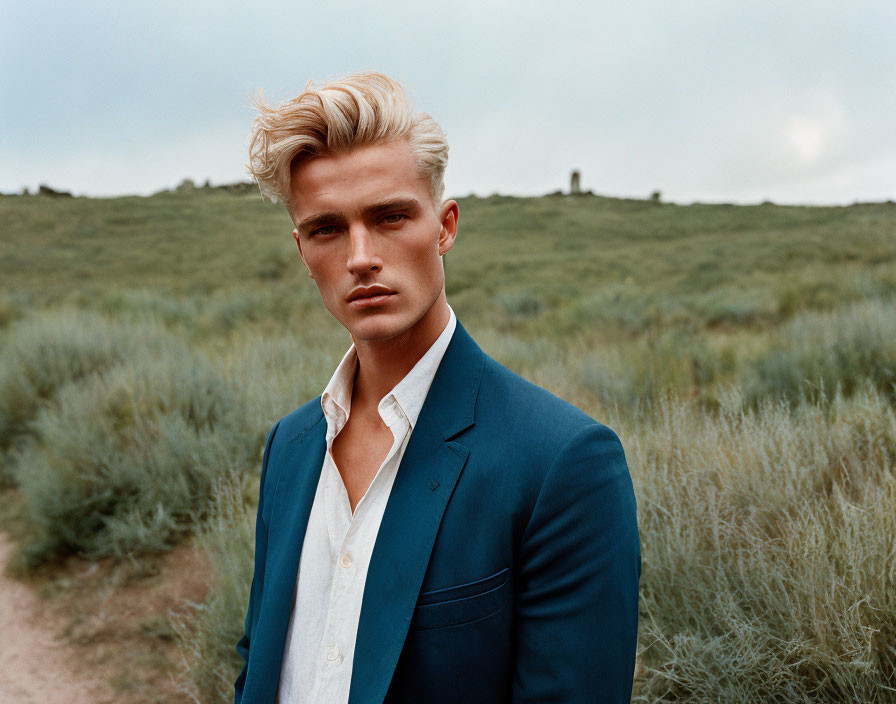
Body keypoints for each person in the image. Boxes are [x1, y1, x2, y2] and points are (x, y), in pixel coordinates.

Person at [235, 70, 640, 704]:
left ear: (445, 226)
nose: (360, 256)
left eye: (390, 217)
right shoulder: (291, 445)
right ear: (301, 248)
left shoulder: (561, 463)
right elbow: (262, 659)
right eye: (327, 229)